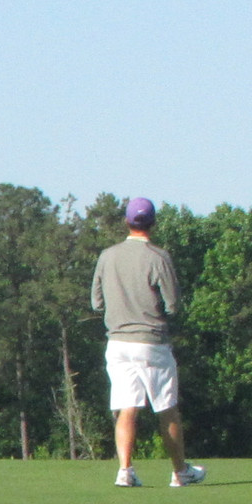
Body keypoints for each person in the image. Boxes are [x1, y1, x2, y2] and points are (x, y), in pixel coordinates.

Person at [91, 197, 204, 487]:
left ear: (127, 221)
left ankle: (125, 471)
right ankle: (180, 472)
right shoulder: (158, 257)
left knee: (126, 408)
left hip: (117, 343)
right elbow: (173, 304)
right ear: (152, 223)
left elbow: (96, 302)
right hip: (152, 342)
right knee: (166, 408)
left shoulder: (107, 256)